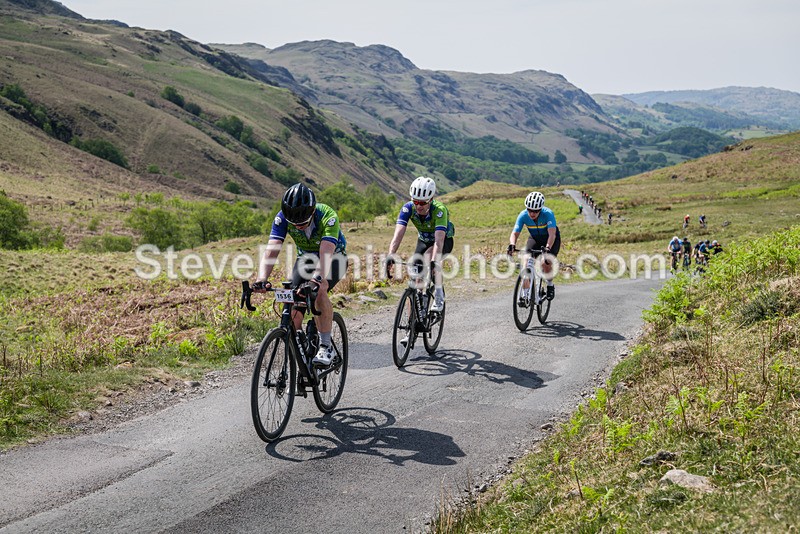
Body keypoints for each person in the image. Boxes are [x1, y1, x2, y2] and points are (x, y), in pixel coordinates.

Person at [253, 183, 348, 367]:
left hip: (334, 257)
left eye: (303, 224)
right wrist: (261, 279)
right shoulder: (281, 218)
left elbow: (325, 254)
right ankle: (301, 350)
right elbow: (272, 251)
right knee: (292, 302)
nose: (299, 227)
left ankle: (325, 345)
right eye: (294, 225)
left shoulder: (327, 216)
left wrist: (316, 280)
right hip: (305, 259)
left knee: (320, 289)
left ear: (312, 212)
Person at [386, 176, 455, 313]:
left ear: (430, 200)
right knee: (415, 278)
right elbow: (398, 234)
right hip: (423, 240)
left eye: (422, 203)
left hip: (443, 240)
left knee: (430, 259)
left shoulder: (440, 211)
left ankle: (439, 294)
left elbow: (438, 240)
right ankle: (412, 326)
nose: (418, 206)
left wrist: (435, 261)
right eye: (415, 201)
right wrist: (390, 255)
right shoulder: (408, 209)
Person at [507, 191, 560, 300]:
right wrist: (512, 244)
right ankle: (525, 294)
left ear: (540, 209)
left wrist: (548, 247)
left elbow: (552, 234)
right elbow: (515, 233)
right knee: (526, 263)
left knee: (545, 262)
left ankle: (550, 284)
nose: (532, 213)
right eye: (530, 210)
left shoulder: (548, 214)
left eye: (535, 211)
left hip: (551, 239)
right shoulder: (523, 215)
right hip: (535, 239)